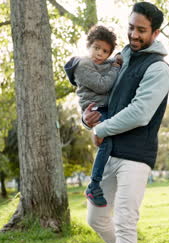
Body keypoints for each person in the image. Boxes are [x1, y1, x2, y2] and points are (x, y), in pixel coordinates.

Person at [82, 2, 169, 243]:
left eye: (141, 30)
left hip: (136, 156)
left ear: (155, 33)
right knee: (96, 218)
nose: (134, 34)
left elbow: (140, 112)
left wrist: (101, 128)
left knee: (124, 223)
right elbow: (103, 98)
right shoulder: (121, 60)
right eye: (131, 27)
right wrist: (88, 118)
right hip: (109, 152)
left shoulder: (158, 68)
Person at [65, 25, 122, 207]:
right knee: (106, 143)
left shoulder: (103, 63)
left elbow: (112, 64)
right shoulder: (82, 65)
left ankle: (108, 182)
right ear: (88, 45)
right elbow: (103, 85)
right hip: (95, 109)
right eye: (96, 48)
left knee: (112, 142)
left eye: (105, 51)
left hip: (105, 108)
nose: (100, 53)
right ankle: (93, 185)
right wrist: (115, 66)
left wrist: (116, 59)